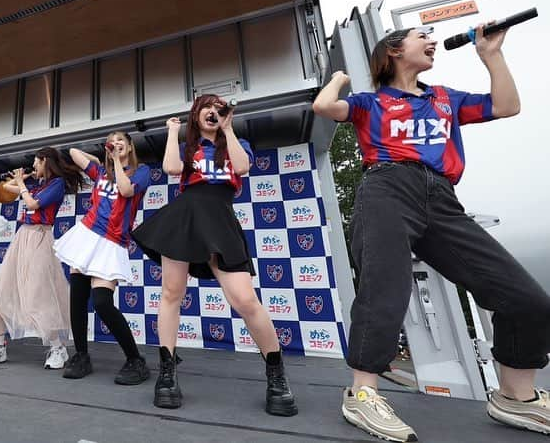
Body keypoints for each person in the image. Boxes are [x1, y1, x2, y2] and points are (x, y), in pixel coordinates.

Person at [312, 23, 550, 440]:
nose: (432, 40)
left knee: (525, 297)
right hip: (387, 186)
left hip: (441, 196)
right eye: (422, 35)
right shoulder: (371, 101)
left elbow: (507, 106)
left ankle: (516, 397)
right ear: (394, 50)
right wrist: (338, 79)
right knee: (385, 288)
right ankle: (362, 395)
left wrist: (491, 55)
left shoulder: (444, 98)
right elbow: (324, 107)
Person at [132, 94, 297, 415]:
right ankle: (167, 373)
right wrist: (171, 132)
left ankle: (276, 375)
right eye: (205, 107)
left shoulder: (238, 143)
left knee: (246, 300)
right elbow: (169, 168)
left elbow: (244, 166)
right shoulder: (187, 149)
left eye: (217, 108)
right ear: (195, 116)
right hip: (186, 215)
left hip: (220, 218)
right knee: (171, 293)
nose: (212, 112)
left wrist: (229, 129)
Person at [53, 131, 151, 385]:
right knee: (77, 299)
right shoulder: (101, 173)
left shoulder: (142, 172)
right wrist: (101, 158)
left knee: (102, 302)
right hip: (87, 236)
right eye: (112, 141)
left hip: (111, 241)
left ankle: (135, 359)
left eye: (121, 141)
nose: (116, 144)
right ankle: (82, 356)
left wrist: (116, 160)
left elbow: (126, 191)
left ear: (130, 147)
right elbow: (73, 153)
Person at [0, 147, 84, 369]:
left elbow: (32, 204)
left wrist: (23, 184)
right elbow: (5, 188)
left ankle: (58, 348)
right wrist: (22, 180)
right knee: (2, 292)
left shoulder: (56, 185)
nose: (34, 166)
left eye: (36, 162)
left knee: (39, 295)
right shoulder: (38, 185)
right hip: (22, 237)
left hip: (40, 237)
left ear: (46, 161)